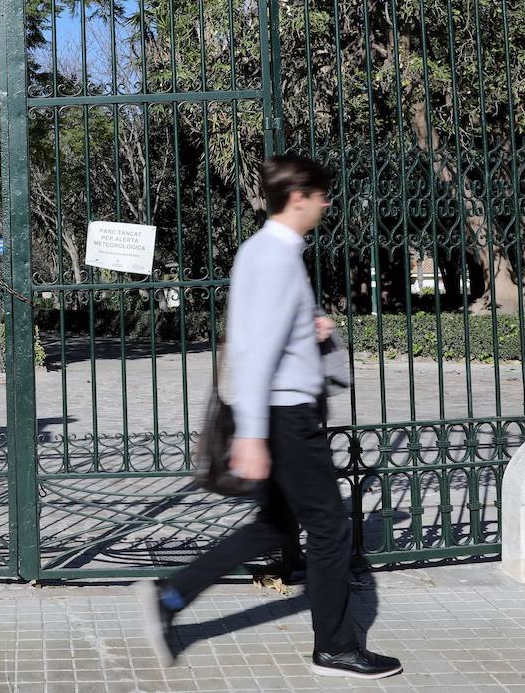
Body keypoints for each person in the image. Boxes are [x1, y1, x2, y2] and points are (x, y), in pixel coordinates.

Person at [134, 155, 402, 680]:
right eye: (321, 195)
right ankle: (336, 648)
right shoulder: (274, 256)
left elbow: (269, 338)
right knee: (328, 529)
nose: (326, 204)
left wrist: (313, 329)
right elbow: (253, 353)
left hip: (283, 411)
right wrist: (253, 436)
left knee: (274, 524)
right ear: (298, 197)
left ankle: (170, 596)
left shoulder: (266, 252)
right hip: (285, 415)